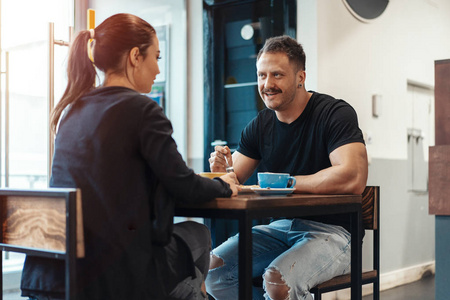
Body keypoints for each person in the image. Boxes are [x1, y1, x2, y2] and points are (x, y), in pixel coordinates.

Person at [20, 13, 238, 300]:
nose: (158, 70)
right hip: (110, 273)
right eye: (156, 58)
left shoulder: (71, 110)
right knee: (198, 235)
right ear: (136, 56)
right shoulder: (142, 110)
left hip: (52, 272)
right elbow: (183, 184)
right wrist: (226, 184)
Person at [206, 35, 368, 300]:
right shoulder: (260, 125)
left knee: (277, 281)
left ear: (300, 77)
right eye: (261, 75)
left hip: (335, 233)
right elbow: (233, 177)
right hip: (280, 228)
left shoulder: (334, 113)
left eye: (277, 75)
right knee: (213, 271)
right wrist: (222, 169)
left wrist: (285, 183)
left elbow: (353, 177)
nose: (267, 84)